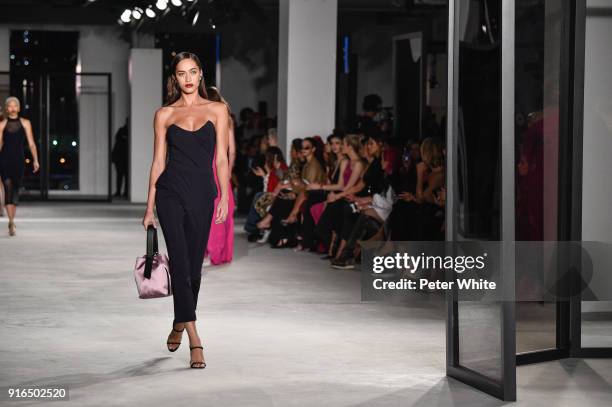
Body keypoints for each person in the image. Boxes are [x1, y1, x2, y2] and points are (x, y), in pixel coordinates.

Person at [141, 52, 230, 369]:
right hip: (170, 194)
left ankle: (179, 322)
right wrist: (150, 205)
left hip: (203, 194)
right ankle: (195, 339)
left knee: (193, 270)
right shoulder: (164, 114)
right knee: (179, 262)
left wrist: (224, 196)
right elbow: (158, 162)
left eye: (193, 72)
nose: (188, 78)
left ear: (201, 74)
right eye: (182, 73)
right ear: (174, 78)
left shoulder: (217, 110)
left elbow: (221, 159)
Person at [203, 86, 236, 266]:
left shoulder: (205, 116)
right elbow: (233, 151)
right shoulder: (227, 119)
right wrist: (229, 172)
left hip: (208, 165)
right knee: (222, 210)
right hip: (221, 167)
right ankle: (219, 252)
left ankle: (209, 251)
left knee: (207, 209)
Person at [0, 96, 40, 236]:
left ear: (18, 108)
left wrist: (35, 159)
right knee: (7, 188)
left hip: (18, 160)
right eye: (9, 106)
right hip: (4, 160)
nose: (12, 108)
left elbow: (31, 143)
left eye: (14, 106)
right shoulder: (2, 125)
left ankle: (12, 220)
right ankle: (11, 220)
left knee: (15, 189)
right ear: (6, 109)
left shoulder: (25, 123)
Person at [111, 117, 129, 198]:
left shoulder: (128, 131)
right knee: (120, 175)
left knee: (126, 176)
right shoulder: (122, 130)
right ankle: (119, 191)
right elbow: (117, 139)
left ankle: (125, 192)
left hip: (127, 158)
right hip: (120, 158)